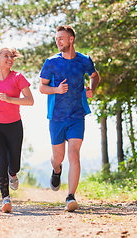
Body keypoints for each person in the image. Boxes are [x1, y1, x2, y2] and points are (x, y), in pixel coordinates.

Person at [39, 25, 100, 212]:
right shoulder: (51, 62)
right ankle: (57, 170)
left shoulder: (84, 60)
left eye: (61, 38)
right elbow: (42, 88)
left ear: (71, 39)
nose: (58, 41)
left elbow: (95, 76)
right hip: (56, 117)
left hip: (77, 115)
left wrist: (92, 89)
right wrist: (56, 90)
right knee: (59, 157)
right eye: (56, 38)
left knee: (74, 154)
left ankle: (70, 196)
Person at [0, 47, 34, 213]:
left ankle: (13, 174)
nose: (10, 58)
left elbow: (30, 101)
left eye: (11, 56)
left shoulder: (18, 77)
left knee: (14, 165)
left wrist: (11, 99)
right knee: (1, 160)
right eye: (6, 56)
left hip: (13, 125)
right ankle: (5, 198)